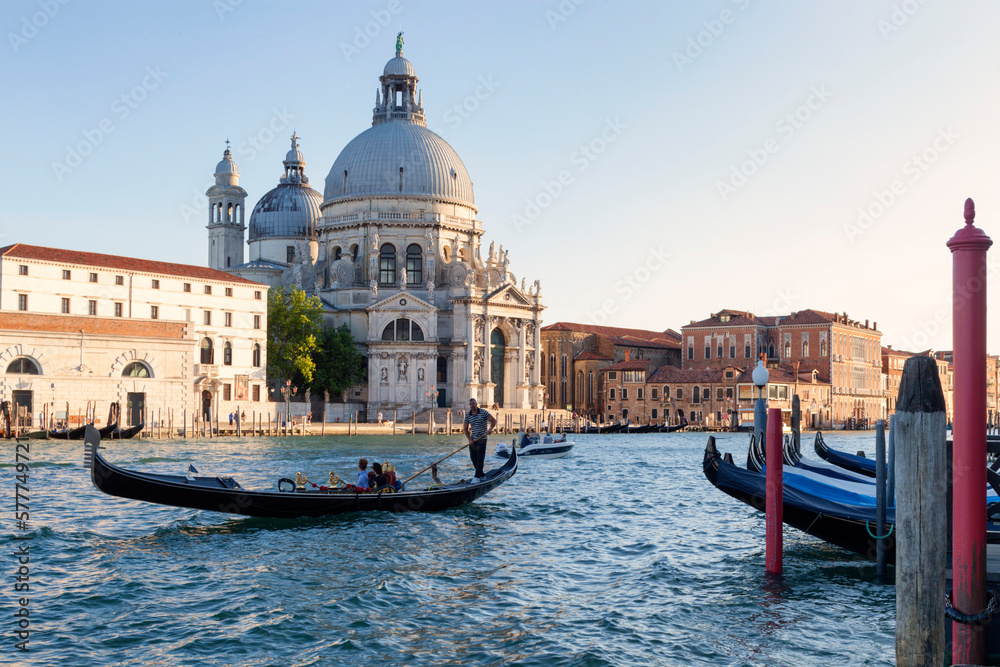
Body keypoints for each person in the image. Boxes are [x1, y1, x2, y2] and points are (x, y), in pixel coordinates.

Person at [463, 398, 496, 482]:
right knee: (473, 457)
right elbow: (465, 429)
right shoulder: (468, 415)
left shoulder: (483, 412)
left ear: (476, 404)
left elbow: (493, 420)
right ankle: (481, 474)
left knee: (480, 457)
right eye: (470, 404)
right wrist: (469, 439)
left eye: (473, 403)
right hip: (473, 439)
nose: (472, 405)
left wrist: (490, 429)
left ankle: (477, 476)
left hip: (482, 438)